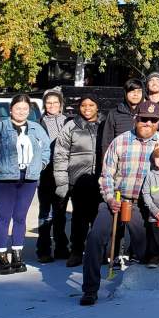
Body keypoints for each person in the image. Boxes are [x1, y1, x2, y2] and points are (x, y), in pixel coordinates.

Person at [81, 101, 159, 305]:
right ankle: (90, 289)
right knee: (95, 237)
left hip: (145, 205)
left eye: (153, 120)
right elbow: (106, 175)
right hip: (117, 199)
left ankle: (148, 278)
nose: (148, 123)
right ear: (136, 118)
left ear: (158, 122)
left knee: (145, 251)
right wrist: (110, 198)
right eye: (144, 118)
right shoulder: (120, 141)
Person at [0, 94, 51, 275]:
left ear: (30, 111)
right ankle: (2, 257)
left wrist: (41, 164)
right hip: (4, 179)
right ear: (11, 109)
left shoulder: (36, 128)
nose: (21, 112)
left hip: (28, 179)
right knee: (4, 218)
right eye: (18, 108)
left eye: (25, 109)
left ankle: (18, 255)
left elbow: (46, 149)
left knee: (20, 217)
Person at [52, 94, 103, 268]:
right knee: (79, 218)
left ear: (97, 107)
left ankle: (98, 252)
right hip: (77, 180)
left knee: (98, 218)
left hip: (100, 179)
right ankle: (76, 252)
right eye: (83, 105)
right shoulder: (71, 126)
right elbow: (60, 154)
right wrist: (62, 181)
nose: (87, 108)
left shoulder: (104, 125)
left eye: (91, 105)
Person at [37, 90, 70, 264]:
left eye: (55, 103)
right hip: (45, 173)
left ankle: (61, 247)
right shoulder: (37, 124)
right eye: (49, 103)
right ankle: (43, 249)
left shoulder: (68, 122)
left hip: (63, 172)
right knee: (45, 214)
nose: (52, 106)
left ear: (61, 104)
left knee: (60, 213)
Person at [101, 78, 144, 161]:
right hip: (119, 159)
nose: (136, 94)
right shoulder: (115, 113)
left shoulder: (146, 114)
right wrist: (105, 160)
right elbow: (107, 140)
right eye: (132, 91)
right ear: (126, 93)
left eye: (139, 91)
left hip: (142, 160)